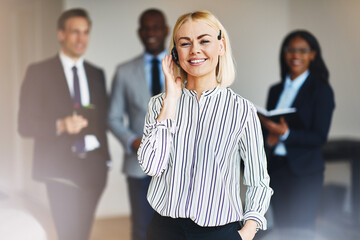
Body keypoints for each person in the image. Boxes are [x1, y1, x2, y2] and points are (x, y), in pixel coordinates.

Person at [137, 10, 273, 240]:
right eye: (185, 43)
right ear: (175, 53)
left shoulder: (242, 110)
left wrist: (247, 232)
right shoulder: (159, 104)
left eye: (204, 41)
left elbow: (258, 181)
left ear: (221, 47)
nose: (195, 50)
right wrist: (171, 100)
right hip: (164, 231)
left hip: (220, 233)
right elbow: (151, 166)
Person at [18, 8, 109, 240]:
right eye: (75, 32)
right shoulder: (39, 72)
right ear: (61, 34)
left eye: (86, 32)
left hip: (94, 168)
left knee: (83, 232)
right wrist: (60, 124)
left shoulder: (96, 73)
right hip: (59, 168)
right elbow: (24, 125)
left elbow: (102, 120)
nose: (81, 39)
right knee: (69, 234)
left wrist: (104, 160)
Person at [259, 30, 335, 237]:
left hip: (305, 173)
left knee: (302, 231)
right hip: (277, 169)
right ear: (284, 54)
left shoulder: (321, 90)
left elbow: (319, 137)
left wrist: (286, 133)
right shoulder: (275, 90)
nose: (295, 55)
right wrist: (271, 138)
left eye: (302, 51)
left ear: (313, 55)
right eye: (291, 50)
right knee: (282, 229)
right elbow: (272, 130)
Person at [107, 8, 169, 240]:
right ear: (140, 32)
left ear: (165, 30)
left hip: (177, 164)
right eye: (146, 28)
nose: (151, 32)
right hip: (139, 164)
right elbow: (112, 117)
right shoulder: (124, 72)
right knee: (142, 229)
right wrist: (132, 141)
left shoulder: (182, 67)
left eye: (156, 27)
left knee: (176, 228)